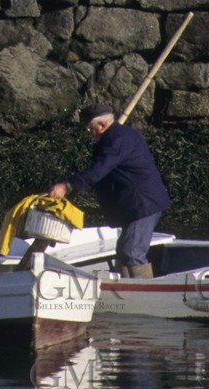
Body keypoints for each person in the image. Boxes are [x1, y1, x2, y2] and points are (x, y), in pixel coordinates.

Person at [50, 102, 170, 279]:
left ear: (102, 125)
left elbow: (99, 169)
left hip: (143, 204)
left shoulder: (117, 140)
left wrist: (67, 185)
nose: (88, 133)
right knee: (124, 252)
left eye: (90, 129)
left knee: (132, 252)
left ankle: (144, 293)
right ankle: (128, 291)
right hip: (136, 203)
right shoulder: (115, 137)